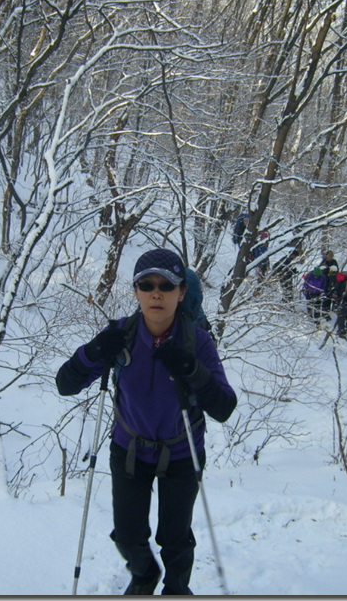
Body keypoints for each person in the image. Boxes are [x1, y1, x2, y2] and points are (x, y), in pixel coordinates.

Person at [55, 248, 237, 595]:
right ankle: (144, 575)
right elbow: (66, 385)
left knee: (175, 536)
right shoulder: (120, 336)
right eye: (147, 284)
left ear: (181, 292)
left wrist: (191, 369)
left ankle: (176, 588)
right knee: (127, 532)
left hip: (183, 453)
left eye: (167, 285)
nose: (157, 292)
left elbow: (224, 407)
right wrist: (92, 351)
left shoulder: (196, 342)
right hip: (129, 450)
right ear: (136, 290)